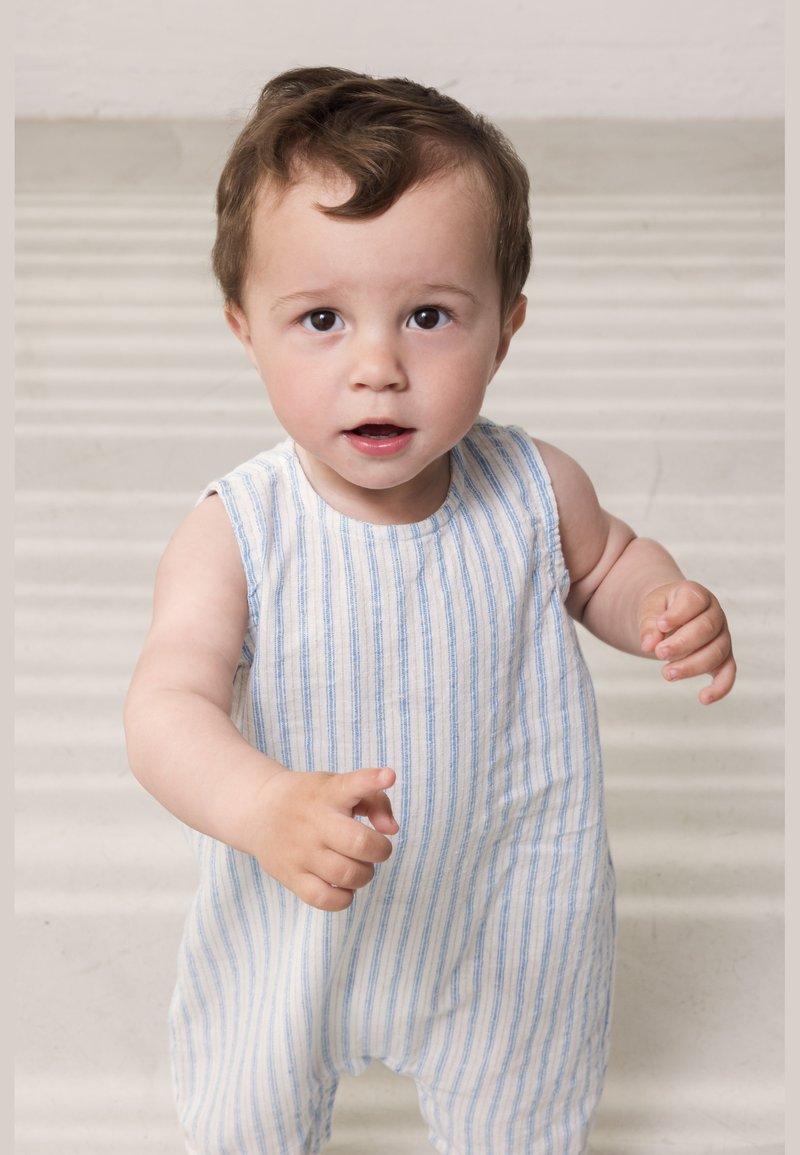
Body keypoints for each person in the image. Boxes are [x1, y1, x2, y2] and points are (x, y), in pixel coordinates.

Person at [123, 66, 736, 1155]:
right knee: (248, 1113)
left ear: (503, 329)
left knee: (520, 1102)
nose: (377, 368)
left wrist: (662, 603)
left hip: (502, 895)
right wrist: (260, 807)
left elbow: (605, 567)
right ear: (242, 329)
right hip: (298, 900)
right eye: (319, 318)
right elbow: (165, 706)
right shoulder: (237, 530)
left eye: (427, 316)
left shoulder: (537, 489)